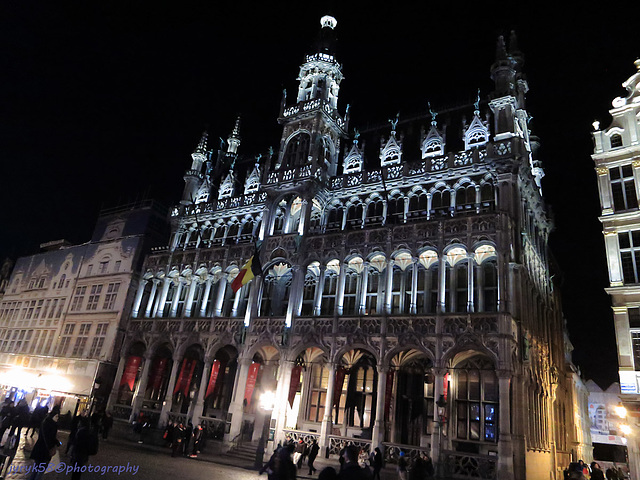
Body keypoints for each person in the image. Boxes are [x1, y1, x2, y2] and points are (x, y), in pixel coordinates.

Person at [29, 406, 61, 480]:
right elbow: (48, 437)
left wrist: (57, 442)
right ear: (52, 416)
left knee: (36, 469)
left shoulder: (48, 423)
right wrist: (51, 448)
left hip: (40, 449)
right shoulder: (49, 424)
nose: (57, 418)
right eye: (56, 416)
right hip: (44, 450)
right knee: (40, 470)